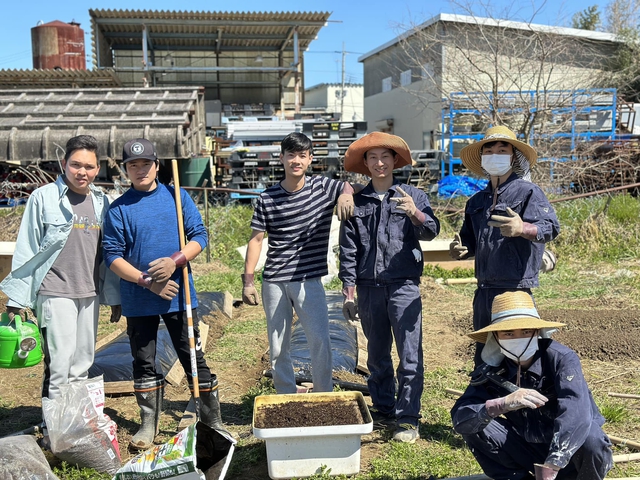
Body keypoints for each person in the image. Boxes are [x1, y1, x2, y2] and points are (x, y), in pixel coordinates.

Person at [102, 138, 228, 450]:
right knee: (143, 360)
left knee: (192, 356)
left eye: (146, 163)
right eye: (133, 165)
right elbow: (113, 256)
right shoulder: (118, 209)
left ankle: (212, 420)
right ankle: (148, 424)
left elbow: (199, 235)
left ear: (157, 165)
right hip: (139, 298)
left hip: (179, 294)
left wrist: (176, 260)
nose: (140, 169)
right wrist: (147, 280)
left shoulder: (176, 197)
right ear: (125, 170)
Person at [0, 134, 120, 401]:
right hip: (55, 291)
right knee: (60, 366)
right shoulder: (43, 198)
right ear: (64, 163)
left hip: (89, 292)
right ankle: (55, 428)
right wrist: (17, 298)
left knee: (83, 364)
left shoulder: (102, 202)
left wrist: (114, 297)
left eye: (89, 167)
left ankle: (74, 424)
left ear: (97, 169)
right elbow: (27, 247)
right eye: (76, 165)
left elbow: (107, 255)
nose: (82, 172)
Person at [338, 132, 440, 443]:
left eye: (385, 157)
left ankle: (408, 419)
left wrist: (414, 213)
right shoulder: (357, 201)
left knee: (410, 355)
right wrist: (349, 292)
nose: (379, 163)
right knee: (377, 354)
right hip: (369, 289)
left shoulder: (414, 196)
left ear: (395, 161)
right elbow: (349, 248)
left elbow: (432, 231)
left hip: (404, 286)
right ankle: (384, 408)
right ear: (365, 165)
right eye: (372, 158)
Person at [450, 290, 613, 480]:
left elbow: (576, 414)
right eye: (508, 333)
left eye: (526, 331)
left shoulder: (561, 359)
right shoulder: (492, 370)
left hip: (571, 454)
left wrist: (554, 463)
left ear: (537, 332)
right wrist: (501, 404)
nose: (517, 338)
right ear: (496, 337)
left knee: (592, 437)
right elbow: (461, 416)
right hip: (528, 449)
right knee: (475, 424)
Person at [241, 132, 355, 395]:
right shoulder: (267, 198)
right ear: (281, 158)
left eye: (302, 155)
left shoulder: (322, 187)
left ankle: (324, 394)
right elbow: (256, 240)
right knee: (279, 344)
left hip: (309, 279)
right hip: (275, 281)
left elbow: (348, 186)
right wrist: (248, 282)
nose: (296, 160)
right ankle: (286, 395)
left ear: (310, 159)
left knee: (319, 341)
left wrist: (346, 195)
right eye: (291, 155)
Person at [449, 125, 560, 365]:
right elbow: (468, 240)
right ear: (482, 158)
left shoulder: (529, 192)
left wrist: (523, 229)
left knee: (517, 354)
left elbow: (551, 227)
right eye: (489, 150)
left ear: (513, 157)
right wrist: (461, 249)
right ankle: (487, 400)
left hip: (515, 289)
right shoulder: (476, 201)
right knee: (485, 357)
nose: (495, 155)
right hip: (483, 290)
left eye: (502, 149)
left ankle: (521, 399)